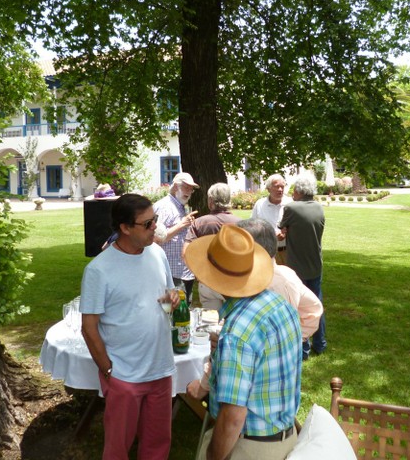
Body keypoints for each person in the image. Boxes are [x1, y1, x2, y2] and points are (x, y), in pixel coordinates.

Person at [184, 224, 302, 460]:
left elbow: (232, 417)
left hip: (250, 446)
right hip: (286, 439)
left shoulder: (237, 332)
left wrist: (213, 456)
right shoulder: (279, 305)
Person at [79, 194, 180, 460]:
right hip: (124, 374)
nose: (155, 228)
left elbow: (168, 295)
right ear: (124, 228)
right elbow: (89, 327)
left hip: (160, 367)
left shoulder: (157, 253)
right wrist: (108, 370)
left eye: (155, 220)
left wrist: (173, 298)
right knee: (117, 448)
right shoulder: (99, 270)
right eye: (147, 224)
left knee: (158, 444)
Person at [186, 218, 323, 401]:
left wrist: (285, 342)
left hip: (258, 387)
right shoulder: (282, 275)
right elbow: (313, 308)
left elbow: (312, 311)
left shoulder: (272, 286)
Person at [279, 176, 326, 359]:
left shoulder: (291, 208)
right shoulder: (319, 207)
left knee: (298, 306)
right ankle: (320, 343)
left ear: (298, 191)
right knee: (316, 304)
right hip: (315, 263)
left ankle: (303, 348)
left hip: (296, 266)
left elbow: (281, 228)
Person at [182, 182, 240, 309]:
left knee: (211, 320)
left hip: (208, 281)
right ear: (228, 199)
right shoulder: (241, 224)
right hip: (234, 281)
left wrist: (199, 274)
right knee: (234, 320)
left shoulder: (199, 223)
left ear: (210, 201)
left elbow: (186, 253)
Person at [153, 172, 199, 302]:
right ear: (175, 187)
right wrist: (182, 224)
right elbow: (156, 239)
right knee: (174, 311)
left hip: (185, 272)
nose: (189, 191)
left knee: (184, 310)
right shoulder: (164, 207)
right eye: (185, 187)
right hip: (171, 273)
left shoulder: (181, 206)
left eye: (191, 189)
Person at [251, 174, 293, 265]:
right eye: (277, 187)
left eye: (282, 186)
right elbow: (252, 228)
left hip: (288, 252)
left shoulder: (291, 203)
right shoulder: (260, 205)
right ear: (268, 189)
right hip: (267, 253)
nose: (280, 189)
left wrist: (287, 232)